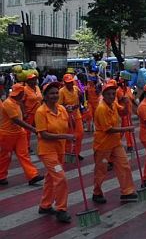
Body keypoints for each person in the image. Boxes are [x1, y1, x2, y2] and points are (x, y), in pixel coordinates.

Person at [91, 80, 138, 204]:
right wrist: (127, 128)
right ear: (104, 95)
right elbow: (109, 129)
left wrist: (126, 102)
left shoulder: (114, 104)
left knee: (124, 165)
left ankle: (127, 191)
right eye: (109, 94)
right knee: (101, 170)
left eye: (113, 94)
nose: (112, 96)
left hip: (115, 143)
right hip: (103, 145)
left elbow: (123, 112)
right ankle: (97, 192)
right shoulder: (101, 108)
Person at [35, 82, 75, 223]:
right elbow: (44, 134)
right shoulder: (41, 112)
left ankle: (45, 205)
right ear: (45, 96)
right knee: (60, 178)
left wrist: (72, 117)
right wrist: (65, 136)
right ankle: (61, 209)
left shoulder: (62, 109)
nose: (54, 95)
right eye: (51, 93)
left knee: (51, 178)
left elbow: (67, 126)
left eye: (56, 93)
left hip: (60, 150)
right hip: (47, 152)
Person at [0, 83, 43, 186]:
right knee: (6, 156)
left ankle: (32, 176)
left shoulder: (16, 101)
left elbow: (21, 109)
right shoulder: (8, 103)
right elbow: (16, 120)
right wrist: (33, 129)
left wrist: (24, 113)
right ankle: (1, 176)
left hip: (19, 133)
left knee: (24, 155)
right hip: (7, 134)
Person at [59, 74, 84, 160]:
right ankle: (68, 154)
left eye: (71, 82)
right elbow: (59, 105)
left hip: (77, 115)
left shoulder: (76, 88)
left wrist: (80, 103)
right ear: (64, 83)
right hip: (67, 116)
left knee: (80, 134)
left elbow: (81, 97)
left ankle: (76, 152)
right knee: (69, 137)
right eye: (67, 83)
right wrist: (67, 107)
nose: (70, 84)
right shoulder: (61, 91)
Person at [22, 73, 43, 150]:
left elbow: (41, 98)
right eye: (32, 80)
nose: (34, 81)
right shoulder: (24, 89)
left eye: (35, 79)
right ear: (28, 81)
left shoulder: (37, 87)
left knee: (41, 129)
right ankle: (27, 147)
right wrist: (24, 112)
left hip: (39, 113)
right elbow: (21, 101)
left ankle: (42, 145)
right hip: (29, 113)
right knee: (27, 131)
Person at [117, 77, 136, 153]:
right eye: (125, 81)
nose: (127, 83)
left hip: (128, 113)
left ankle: (117, 143)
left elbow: (132, 99)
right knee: (126, 129)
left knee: (124, 130)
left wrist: (137, 106)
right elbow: (120, 99)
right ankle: (129, 145)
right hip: (122, 113)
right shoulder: (118, 90)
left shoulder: (128, 89)